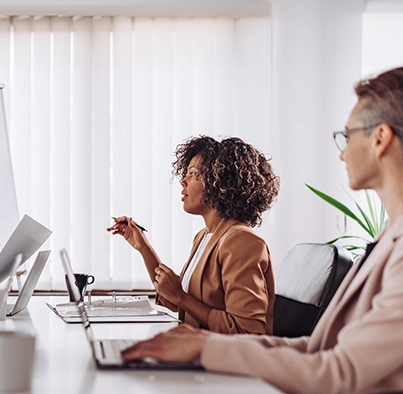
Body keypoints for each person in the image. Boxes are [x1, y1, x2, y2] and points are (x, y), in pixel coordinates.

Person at [122, 66, 403, 394]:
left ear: (380, 139)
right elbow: (318, 352)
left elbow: (337, 373)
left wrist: (202, 349)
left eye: (346, 136)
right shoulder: (399, 234)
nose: (341, 153)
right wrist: (194, 342)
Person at [107, 136, 279, 335]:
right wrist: (143, 248)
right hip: (199, 350)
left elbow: (247, 331)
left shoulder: (242, 241)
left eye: (192, 173)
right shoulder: (204, 236)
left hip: (223, 361)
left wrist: (181, 297)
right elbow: (184, 303)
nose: (183, 181)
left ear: (219, 182)